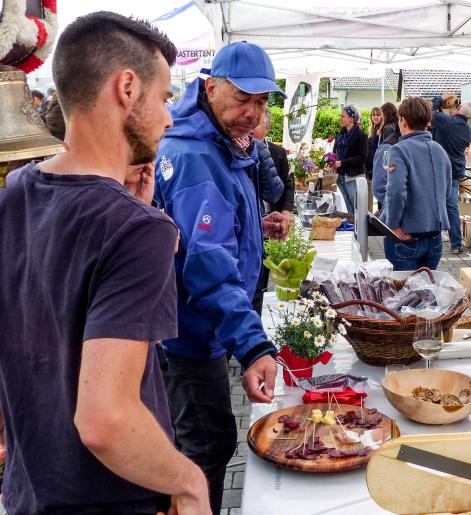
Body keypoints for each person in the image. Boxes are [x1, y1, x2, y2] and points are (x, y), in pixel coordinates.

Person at [0, 11, 211, 514]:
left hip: (29, 491)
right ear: (127, 87)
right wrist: (188, 481)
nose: (169, 117)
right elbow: (106, 421)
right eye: (163, 98)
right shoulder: (135, 229)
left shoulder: (16, 192)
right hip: (111, 498)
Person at [153, 41, 287, 513]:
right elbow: (207, 264)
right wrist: (252, 347)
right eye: (242, 98)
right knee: (206, 445)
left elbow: (208, 230)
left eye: (262, 102)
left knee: (204, 441)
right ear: (210, 88)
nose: (252, 112)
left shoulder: (217, 141)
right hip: (190, 336)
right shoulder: (196, 155)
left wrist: (255, 227)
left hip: (199, 328)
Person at [381, 97, 452, 271]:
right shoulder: (440, 150)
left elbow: (396, 191)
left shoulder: (398, 150)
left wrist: (393, 224)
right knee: (427, 293)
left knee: (406, 295)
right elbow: (447, 192)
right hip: (435, 237)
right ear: (428, 122)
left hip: (406, 236)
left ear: (403, 121)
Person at [250, 109, 294, 314]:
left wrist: (286, 210)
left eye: (256, 123)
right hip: (253, 223)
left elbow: (287, 184)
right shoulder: (236, 150)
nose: (250, 127)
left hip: (272, 222)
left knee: (263, 273)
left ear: (266, 128)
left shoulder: (277, 152)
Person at [430, 98, 471, 254]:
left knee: (434, 205)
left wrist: (440, 100)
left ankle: (432, 242)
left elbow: (432, 112)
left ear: (459, 108)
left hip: (438, 169)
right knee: (452, 208)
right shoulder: (469, 131)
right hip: (455, 171)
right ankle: (456, 244)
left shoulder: (446, 121)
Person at [333, 104, 367, 214]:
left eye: (343, 116)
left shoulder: (361, 135)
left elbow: (362, 157)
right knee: (347, 211)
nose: (340, 118)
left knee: (357, 211)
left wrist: (342, 162)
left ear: (351, 119)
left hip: (353, 177)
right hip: (341, 177)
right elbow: (335, 152)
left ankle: (358, 231)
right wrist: (331, 161)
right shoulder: (340, 135)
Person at [365, 106, 383, 175]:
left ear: (382, 117)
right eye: (374, 115)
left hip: (377, 165)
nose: (375, 117)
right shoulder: (372, 129)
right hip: (371, 166)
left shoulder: (381, 130)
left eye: (378, 115)